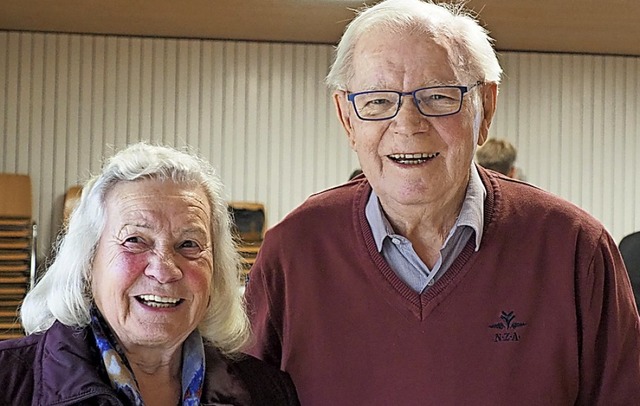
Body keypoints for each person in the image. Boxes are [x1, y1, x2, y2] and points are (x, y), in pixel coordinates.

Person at [245, 0, 640, 404]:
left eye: (437, 97)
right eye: (378, 101)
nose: (407, 125)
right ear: (347, 118)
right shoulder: (293, 251)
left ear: (485, 108)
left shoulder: (575, 249)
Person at [0, 143, 300, 405]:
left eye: (189, 244)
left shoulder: (268, 393)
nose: (164, 269)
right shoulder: (8, 382)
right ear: (88, 261)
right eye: (135, 241)